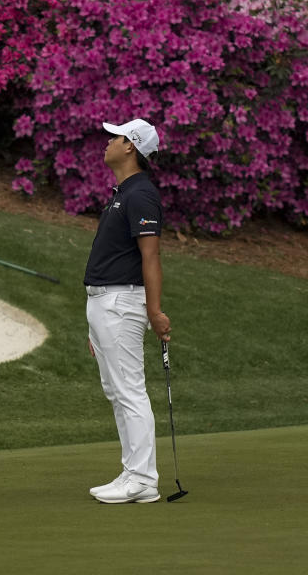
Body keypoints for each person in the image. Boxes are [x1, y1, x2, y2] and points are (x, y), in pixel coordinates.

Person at [84, 118, 171, 504]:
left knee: (129, 391)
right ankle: (132, 471)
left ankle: (142, 479)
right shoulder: (123, 192)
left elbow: (150, 256)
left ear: (131, 146)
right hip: (105, 304)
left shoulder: (140, 194)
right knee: (116, 391)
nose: (108, 141)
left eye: (115, 136)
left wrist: (154, 312)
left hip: (121, 303)